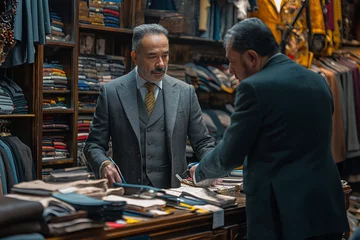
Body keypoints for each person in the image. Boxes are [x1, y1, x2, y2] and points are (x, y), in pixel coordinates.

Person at [190, 18, 349, 240]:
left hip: (282, 218)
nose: (231, 71)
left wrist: (199, 172)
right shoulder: (317, 80)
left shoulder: (254, 88)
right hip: (325, 211)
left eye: (232, 62)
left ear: (252, 58)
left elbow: (229, 154)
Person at [84, 23, 215, 189]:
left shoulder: (185, 92)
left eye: (165, 56)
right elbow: (93, 145)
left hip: (175, 194)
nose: (161, 64)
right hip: (128, 192)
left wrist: (211, 167)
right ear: (135, 57)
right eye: (152, 56)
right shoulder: (111, 93)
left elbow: (203, 143)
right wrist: (103, 164)